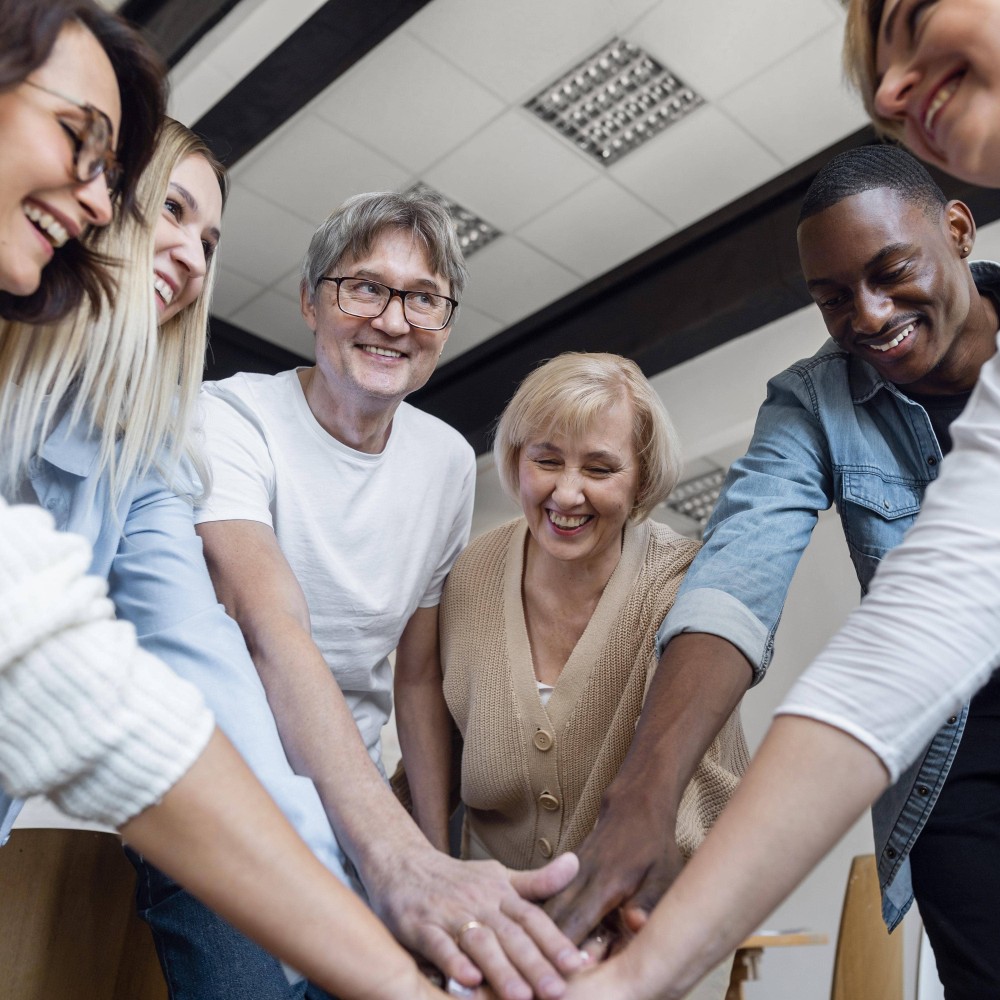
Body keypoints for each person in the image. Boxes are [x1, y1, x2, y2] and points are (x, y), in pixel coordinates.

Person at [0, 3, 457, 996]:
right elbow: (253, 626)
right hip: (185, 786)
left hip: (276, 785)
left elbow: (196, 658)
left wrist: (369, 883)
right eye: (166, 208)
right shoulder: (229, 418)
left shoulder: (153, 452)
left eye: (211, 238)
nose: (193, 255)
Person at [557, 5, 1000, 996]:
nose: (867, 317)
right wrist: (645, 796)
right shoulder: (812, 405)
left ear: (957, 228)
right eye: (833, 298)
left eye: (890, 273)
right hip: (960, 750)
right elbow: (735, 578)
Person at [193, 191, 585, 1000]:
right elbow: (271, 627)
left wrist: (429, 848)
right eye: (365, 288)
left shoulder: (444, 460)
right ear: (310, 300)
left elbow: (414, 674)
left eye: (422, 298)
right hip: (222, 790)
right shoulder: (229, 418)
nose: (394, 320)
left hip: (357, 809)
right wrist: (393, 855)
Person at [421, 352, 748, 1000]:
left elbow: (701, 791)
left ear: (641, 479)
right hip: (485, 949)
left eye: (599, 468)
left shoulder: (682, 585)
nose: (567, 493)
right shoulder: (469, 579)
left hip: (638, 941)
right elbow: (435, 754)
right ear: (516, 460)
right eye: (547, 460)